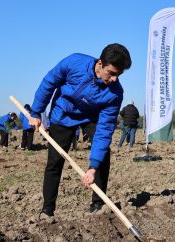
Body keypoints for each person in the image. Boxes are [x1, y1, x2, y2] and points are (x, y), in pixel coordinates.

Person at [27, 43, 132, 218]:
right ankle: (48, 209)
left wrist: (93, 167)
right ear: (100, 64)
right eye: (112, 73)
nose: (114, 79)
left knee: (103, 157)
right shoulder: (74, 63)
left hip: (91, 116)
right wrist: (36, 111)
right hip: (63, 113)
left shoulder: (115, 93)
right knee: (55, 161)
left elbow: (105, 129)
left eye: (118, 75)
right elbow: (49, 82)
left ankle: (98, 205)